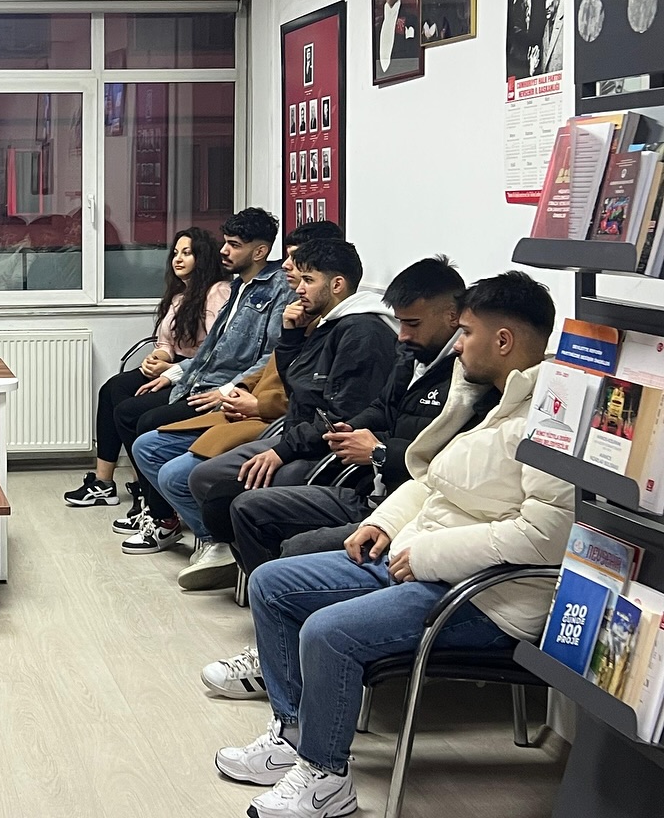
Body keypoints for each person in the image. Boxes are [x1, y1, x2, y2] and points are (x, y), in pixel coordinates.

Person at [213, 272, 572, 818]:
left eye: (467, 332)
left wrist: (425, 555)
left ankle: (326, 778)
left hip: (487, 597)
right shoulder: (487, 399)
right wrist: (383, 522)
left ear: (503, 341)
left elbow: (544, 537)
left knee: (328, 633)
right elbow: (432, 480)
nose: (458, 344)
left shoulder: (552, 418)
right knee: (272, 583)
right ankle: (292, 735)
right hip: (424, 559)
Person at [201, 256, 468, 700]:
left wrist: (379, 452)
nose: (402, 335)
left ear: (453, 316)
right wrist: (348, 431)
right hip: (369, 487)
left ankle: (290, 653)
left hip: (403, 507)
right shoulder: (412, 355)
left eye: (413, 324)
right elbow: (376, 409)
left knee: (294, 548)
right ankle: (279, 641)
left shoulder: (468, 378)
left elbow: (445, 467)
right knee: (247, 508)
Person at [175, 238, 398, 591]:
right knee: (203, 477)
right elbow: (297, 386)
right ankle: (244, 563)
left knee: (228, 498)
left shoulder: (362, 333)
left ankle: (271, 581)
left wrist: (282, 451)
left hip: (323, 450)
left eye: (308, 280)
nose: (298, 289)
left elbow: (339, 416)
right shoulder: (326, 322)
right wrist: (291, 337)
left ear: (337, 285)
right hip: (295, 434)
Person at [113, 220, 336, 551]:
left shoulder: (309, 313)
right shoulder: (250, 292)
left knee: (151, 430)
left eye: (300, 266)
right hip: (235, 395)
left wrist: (234, 393)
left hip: (262, 416)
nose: (288, 268)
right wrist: (175, 373)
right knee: (124, 402)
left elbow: (295, 389)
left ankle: (183, 527)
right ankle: (159, 512)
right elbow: (215, 351)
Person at [63, 227, 230, 507]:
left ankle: (144, 484)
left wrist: (171, 369)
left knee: (130, 410)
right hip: (174, 366)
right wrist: (158, 358)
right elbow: (165, 342)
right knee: (112, 389)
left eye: (187, 253)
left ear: (203, 258)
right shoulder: (179, 296)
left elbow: (216, 350)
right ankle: (104, 482)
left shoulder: (218, 292)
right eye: (175, 253)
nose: (178, 259)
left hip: (197, 374)